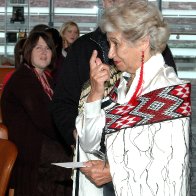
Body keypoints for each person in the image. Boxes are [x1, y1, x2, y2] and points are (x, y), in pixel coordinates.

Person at [51, 0, 177, 195]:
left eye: (116, 43)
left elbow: (170, 160)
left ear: (143, 42)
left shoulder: (167, 88)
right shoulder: (123, 82)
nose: (110, 54)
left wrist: (115, 170)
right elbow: (88, 139)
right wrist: (94, 94)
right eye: (110, 43)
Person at [1, 32, 72, 196]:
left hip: (41, 141)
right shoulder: (23, 78)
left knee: (76, 160)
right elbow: (44, 119)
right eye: (38, 47)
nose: (44, 52)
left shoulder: (45, 78)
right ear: (28, 52)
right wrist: (70, 137)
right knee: (70, 163)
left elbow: (59, 110)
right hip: (29, 147)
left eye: (48, 48)